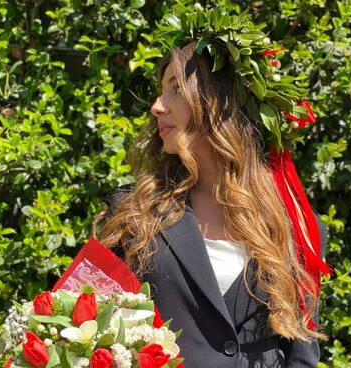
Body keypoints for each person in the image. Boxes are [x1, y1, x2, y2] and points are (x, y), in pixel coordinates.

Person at [91, 38, 328, 368]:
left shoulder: (298, 228)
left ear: (220, 101)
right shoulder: (135, 213)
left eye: (175, 89)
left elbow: (301, 356)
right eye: (161, 92)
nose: (157, 106)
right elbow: (83, 323)